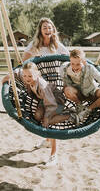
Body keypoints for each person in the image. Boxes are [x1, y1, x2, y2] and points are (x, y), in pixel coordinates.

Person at [1, 62, 76, 165]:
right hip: (44, 100)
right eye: (25, 76)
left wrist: (47, 117)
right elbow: (18, 72)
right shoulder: (26, 76)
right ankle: (48, 141)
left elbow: (51, 104)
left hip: (56, 101)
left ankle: (70, 116)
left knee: (49, 122)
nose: (27, 78)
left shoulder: (42, 85)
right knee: (37, 116)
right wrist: (8, 76)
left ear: (37, 74)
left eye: (30, 76)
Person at [22, 18, 70, 165]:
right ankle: (48, 140)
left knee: (50, 114)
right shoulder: (35, 44)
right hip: (41, 82)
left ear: (53, 29)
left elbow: (68, 57)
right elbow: (24, 60)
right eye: (45, 28)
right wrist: (33, 59)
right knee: (38, 115)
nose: (48, 30)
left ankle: (54, 154)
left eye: (50, 27)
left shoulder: (57, 44)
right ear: (40, 30)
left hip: (55, 84)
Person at [59, 48, 100, 124]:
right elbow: (65, 83)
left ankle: (87, 110)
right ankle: (80, 106)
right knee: (67, 90)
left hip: (91, 91)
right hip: (78, 94)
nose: (75, 67)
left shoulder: (89, 68)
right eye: (72, 64)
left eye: (78, 64)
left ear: (84, 62)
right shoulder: (65, 69)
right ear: (70, 61)